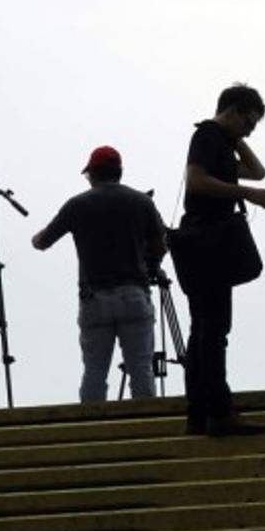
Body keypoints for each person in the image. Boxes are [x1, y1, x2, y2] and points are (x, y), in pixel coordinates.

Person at [176, 84, 265, 436]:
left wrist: (236, 138)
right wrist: (247, 194)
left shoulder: (219, 140)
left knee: (205, 329)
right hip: (208, 241)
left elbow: (258, 171)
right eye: (248, 122)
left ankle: (200, 411)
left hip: (207, 242)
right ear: (232, 110)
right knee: (212, 330)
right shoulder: (207, 135)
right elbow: (197, 180)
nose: (250, 130)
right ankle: (218, 410)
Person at [32, 145, 167, 402]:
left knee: (94, 373)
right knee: (141, 370)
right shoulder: (142, 202)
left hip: (94, 299)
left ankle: (91, 430)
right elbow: (161, 245)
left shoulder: (77, 205)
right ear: (120, 172)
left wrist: (35, 238)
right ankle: (147, 427)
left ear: (92, 174)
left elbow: (43, 241)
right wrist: (150, 265)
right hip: (134, 295)